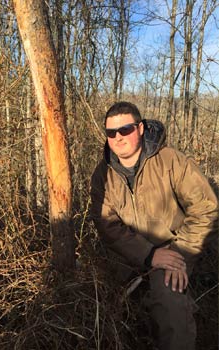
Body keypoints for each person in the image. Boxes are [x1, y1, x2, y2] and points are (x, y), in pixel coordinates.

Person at [90, 101, 217, 350]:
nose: (118, 137)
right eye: (111, 132)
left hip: (175, 245)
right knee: (101, 302)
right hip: (127, 252)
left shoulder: (171, 161)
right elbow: (107, 225)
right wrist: (148, 254)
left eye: (125, 129)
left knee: (168, 297)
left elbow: (206, 208)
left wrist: (179, 253)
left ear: (140, 128)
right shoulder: (102, 174)